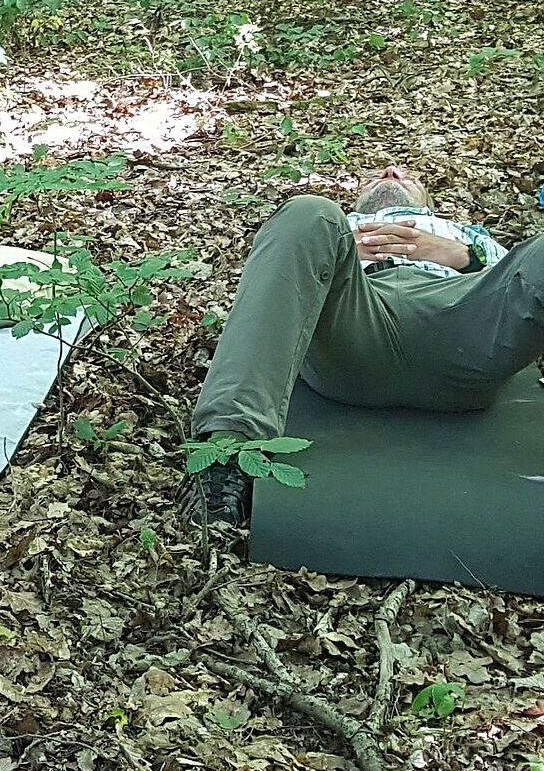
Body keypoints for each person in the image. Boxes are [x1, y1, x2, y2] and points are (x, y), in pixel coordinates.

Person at [182, 165, 542, 528]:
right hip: (352, 321)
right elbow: (275, 292)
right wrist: (339, 254)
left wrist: (465, 256)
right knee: (308, 211)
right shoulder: (335, 226)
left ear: (428, 203)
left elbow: (520, 287)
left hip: (464, 323)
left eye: (409, 176)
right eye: (374, 176)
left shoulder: (466, 235)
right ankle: (225, 456)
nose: (392, 171)